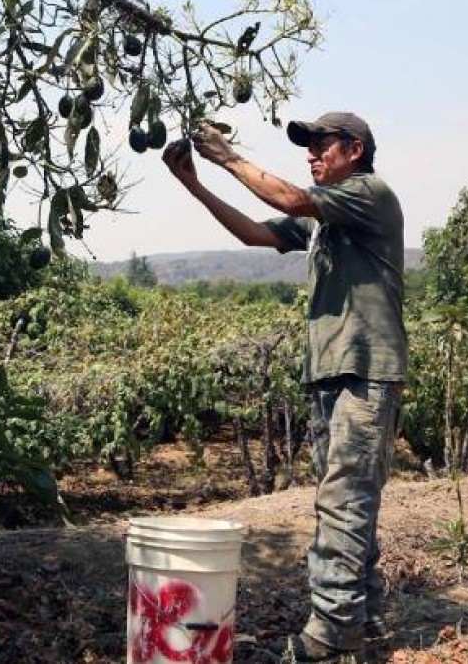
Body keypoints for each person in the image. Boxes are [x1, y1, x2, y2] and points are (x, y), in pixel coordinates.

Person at [162, 113, 407, 663]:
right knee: (345, 501)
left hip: (365, 371)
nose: (312, 155)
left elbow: (291, 200)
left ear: (356, 149)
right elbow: (256, 231)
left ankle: (330, 636)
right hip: (332, 373)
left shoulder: (369, 194)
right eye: (309, 147)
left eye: (322, 145)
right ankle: (361, 623)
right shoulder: (325, 219)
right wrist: (196, 185)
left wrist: (226, 157)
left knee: (344, 502)